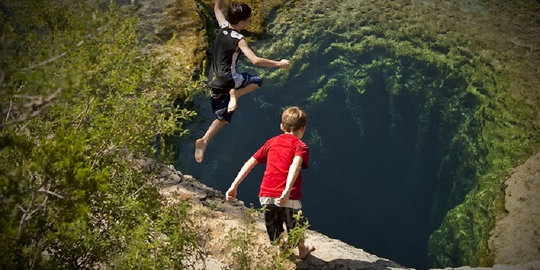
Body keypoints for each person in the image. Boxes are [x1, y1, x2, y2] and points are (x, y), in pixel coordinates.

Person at [194, 0, 291, 163]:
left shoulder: (223, 26)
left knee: (224, 116)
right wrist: (279, 64)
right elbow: (255, 61)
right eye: (249, 19)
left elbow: (217, 8)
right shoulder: (239, 39)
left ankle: (204, 141)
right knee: (257, 81)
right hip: (229, 80)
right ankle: (236, 94)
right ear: (242, 21)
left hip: (212, 80)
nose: (250, 22)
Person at [225, 106, 315, 259]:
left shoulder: (271, 142)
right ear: (303, 129)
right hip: (288, 197)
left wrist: (234, 186)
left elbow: (251, 162)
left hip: (265, 194)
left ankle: (285, 249)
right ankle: (300, 249)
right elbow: (296, 165)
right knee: (296, 225)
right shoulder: (301, 146)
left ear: (281, 126)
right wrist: (286, 190)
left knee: (274, 229)